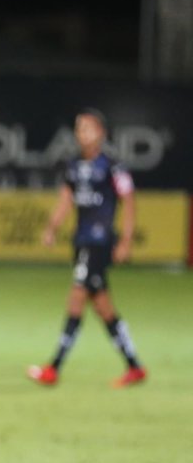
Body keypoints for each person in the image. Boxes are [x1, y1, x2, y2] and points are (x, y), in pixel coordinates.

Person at [28, 108, 146, 388]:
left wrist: (126, 240)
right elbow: (65, 200)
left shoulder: (112, 166)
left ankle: (54, 367)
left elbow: (129, 202)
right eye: (79, 128)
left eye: (88, 128)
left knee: (77, 297)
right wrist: (51, 228)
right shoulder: (73, 166)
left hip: (99, 241)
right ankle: (134, 366)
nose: (82, 134)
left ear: (101, 134)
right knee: (103, 306)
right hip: (81, 241)